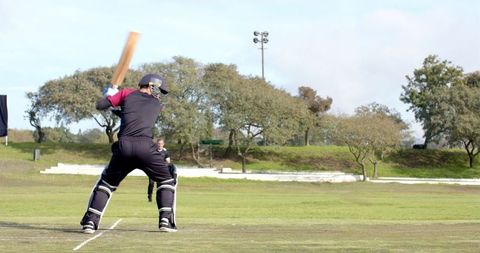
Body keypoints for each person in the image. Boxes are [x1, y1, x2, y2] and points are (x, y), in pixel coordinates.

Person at [80, 74, 178, 233]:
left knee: (106, 183)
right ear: (151, 85)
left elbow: (101, 105)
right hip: (146, 148)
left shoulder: (126, 94)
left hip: (124, 147)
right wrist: (113, 101)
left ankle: (90, 223)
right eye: (158, 89)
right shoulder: (157, 104)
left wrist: (110, 96)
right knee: (167, 179)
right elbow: (129, 112)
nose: (159, 93)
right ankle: (165, 221)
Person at [148, 138, 170, 202]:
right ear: (157, 144)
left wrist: (164, 165)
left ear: (163, 144)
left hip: (160, 171)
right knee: (151, 183)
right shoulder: (153, 151)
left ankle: (159, 197)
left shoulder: (165, 152)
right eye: (158, 143)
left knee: (159, 184)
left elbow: (168, 161)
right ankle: (150, 196)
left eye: (161, 143)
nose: (160, 145)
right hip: (152, 170)